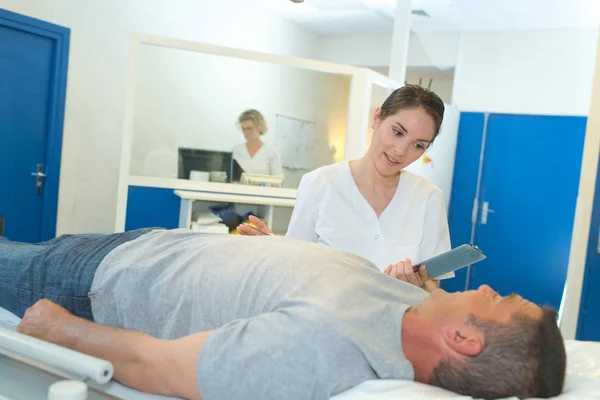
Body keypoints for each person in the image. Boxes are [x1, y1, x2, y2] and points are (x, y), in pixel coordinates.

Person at [1, 227, 566, 400]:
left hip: (91, 283)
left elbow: (159, 364)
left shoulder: (326, 350)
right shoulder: (407, 305)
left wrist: (56, 328)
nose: (488, 285)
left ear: (464, 339)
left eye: (497, 300)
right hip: (144, 246)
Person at [238, 85, 451, 289]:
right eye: (397, 132)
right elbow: (296, 265)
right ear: (377, 117)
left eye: (418, 145)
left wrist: (417, 285)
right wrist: (276, 250)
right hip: (326, 321)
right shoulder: (319, 183)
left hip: (395, 323)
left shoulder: (429, 198)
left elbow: (433, 287)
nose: (401, 150)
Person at [232, 109, 283, 176]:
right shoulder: (236, 150)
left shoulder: (271, 152)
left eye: (249, 129)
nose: (245, 132)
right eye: (243, 129)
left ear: (259, 127)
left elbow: (278, 180)